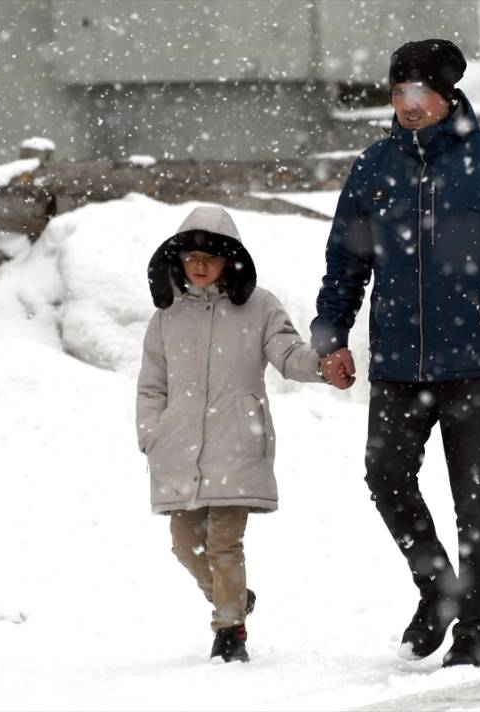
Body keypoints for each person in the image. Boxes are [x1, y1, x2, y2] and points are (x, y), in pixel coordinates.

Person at [310, 39, 480, 668]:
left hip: (477, 363)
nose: (407, 104)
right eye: (398, 92)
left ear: (447, 94)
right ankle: (438, 590)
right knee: (385, 476)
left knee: (475, 504)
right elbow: (347, 261)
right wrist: (331, 335)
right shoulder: (373, 168)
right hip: (399, 363)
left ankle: (473, 633)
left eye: (419, 91)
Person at [136, 205, 323, 663]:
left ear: (229, 260)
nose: (199, 266)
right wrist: (151, 434)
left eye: (211, 257)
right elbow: (151, 384)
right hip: (178, 447)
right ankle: (234, 596)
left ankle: (229, 630)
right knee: (185, 544)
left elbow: (288, 351)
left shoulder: (259, 306)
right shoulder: (166, 317)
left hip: (238, 440)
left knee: (223, 542)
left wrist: (321, 366)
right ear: (177, 260)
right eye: (191, 256)